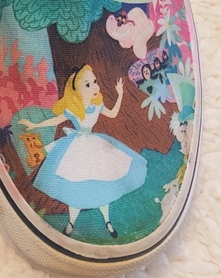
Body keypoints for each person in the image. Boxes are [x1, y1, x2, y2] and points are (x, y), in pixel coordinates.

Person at [20, 65, 147, 238]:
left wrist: (120, 94)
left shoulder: (97, 105)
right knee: (76, 185)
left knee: (103, 181)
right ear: (76, 91)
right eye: (87, 84)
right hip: (77, 147)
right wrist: (35, 125)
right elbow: (56, 120)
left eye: (94, 82)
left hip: (95, 144)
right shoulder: (73, 109)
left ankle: (107, 221)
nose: (95, 87)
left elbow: (113, 114)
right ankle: (71, 223)